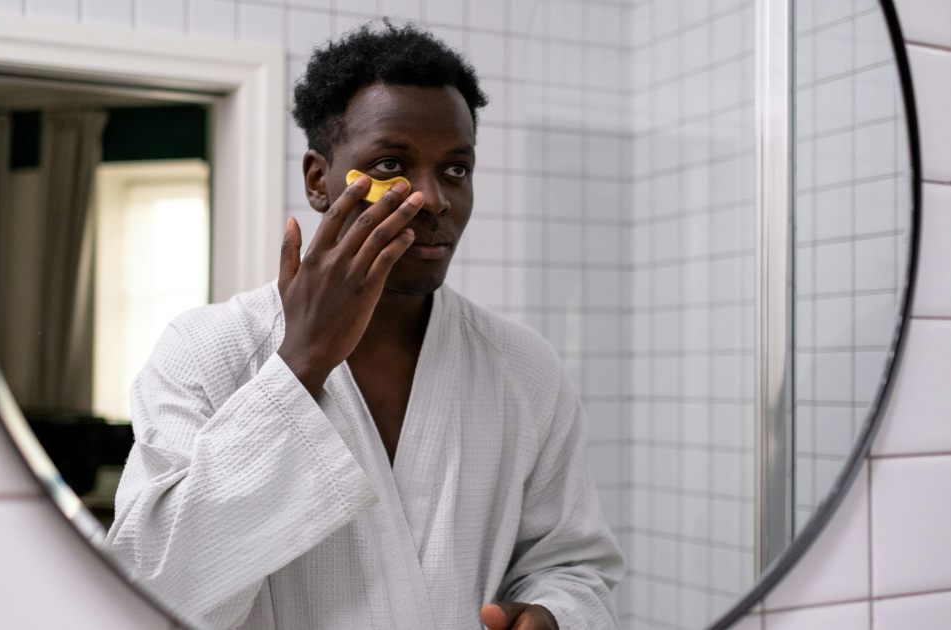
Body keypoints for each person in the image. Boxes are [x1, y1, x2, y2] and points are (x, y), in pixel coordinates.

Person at [106, 21, 623, 630]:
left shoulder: (523, 367)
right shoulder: (205, 351)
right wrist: (300, 364)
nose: (433, 198)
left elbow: (573, 565)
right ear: (319, 180)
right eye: (390, 162)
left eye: (456, 169)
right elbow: (148, 588)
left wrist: (553, 613)